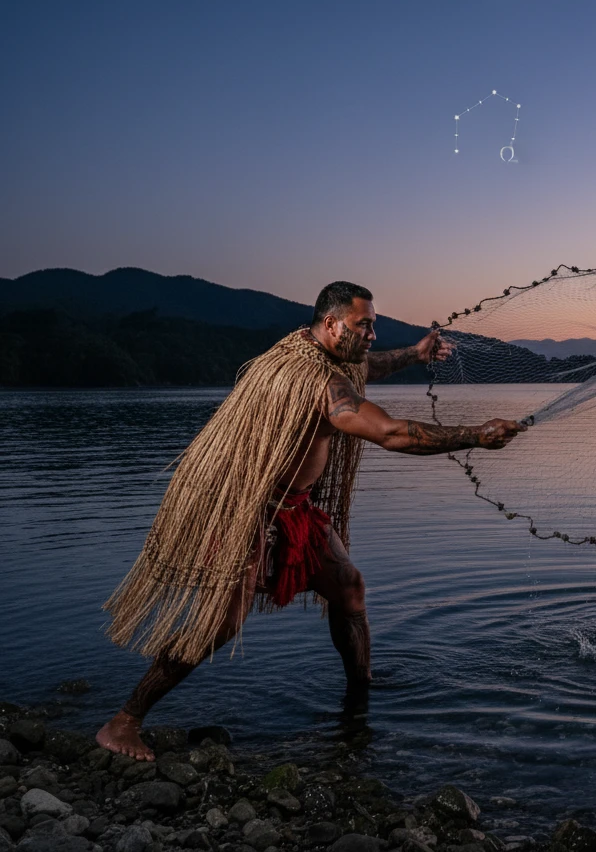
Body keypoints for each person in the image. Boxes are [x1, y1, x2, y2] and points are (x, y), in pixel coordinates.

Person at [97, 281, 524, 761]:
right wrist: (475, 434)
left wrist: (415, 354)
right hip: (245, 509)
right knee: (221, 624)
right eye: (364, 325)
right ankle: (123, 722)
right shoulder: (315, 380)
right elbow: (390, 433)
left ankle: (359, 698)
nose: (370, 334)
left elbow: (367, 365)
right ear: (331, 323)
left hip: (292, 508)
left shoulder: (312, 351)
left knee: (348, 587)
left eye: (373, 325)